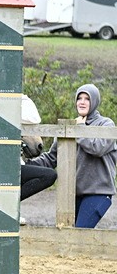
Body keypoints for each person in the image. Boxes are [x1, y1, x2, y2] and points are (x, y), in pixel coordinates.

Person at [25, 84, 117, 228]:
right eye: (79, 98)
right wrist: (26, 164)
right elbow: (51, 158)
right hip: (72, 195)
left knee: (79, 234)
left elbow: (97, 148)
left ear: (95, 102)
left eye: (87, 99)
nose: (82, 101)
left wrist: (79, 129)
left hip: (98, 193)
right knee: (67, 233)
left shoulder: (106, 124)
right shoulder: (69, 127)